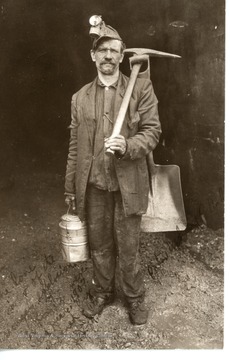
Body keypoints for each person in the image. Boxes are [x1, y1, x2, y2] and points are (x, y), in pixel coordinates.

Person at [64, 18, 161, 325]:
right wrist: (70, 189)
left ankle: (134, 298)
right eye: (102, 50)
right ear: (93, 55)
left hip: (128, 184)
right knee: (100, 245)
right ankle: (101, 292)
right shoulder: (79, 98)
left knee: (129, 245)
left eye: (114, 51)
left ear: (122, 57)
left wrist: (128, 144)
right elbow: (75, 148)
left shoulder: (141, 88)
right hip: (94, 185)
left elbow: (153, 131)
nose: (107, 56)